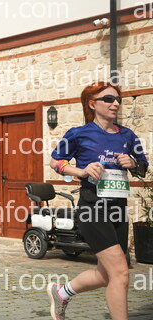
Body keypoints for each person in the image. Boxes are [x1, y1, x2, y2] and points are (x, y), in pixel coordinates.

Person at [47, 82, 148, 320]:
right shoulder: (79, 134)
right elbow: (56, 162)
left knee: (106, 274)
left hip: (118, 209)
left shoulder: (127, 135)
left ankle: (62, 293)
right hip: (92, 209)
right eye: (108, 99)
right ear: (93, 104)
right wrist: (81, 171)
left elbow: (143, 167)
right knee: (121, 272)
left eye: (118, 99)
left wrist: (133, 163)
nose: (115, 104)